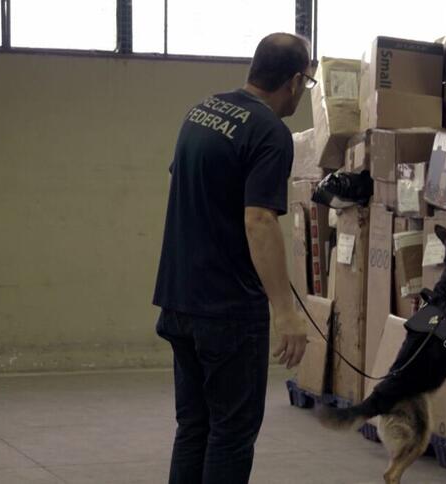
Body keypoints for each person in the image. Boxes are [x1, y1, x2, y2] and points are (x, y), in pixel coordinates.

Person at [152, 32, 314, 484]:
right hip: (227, 311)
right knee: (231, 433)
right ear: (296, 81)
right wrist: (286, 312)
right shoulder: (270, 132)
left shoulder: (201, 112)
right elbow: (259, 220)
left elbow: (180, 185)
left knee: (194, 427)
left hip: (179, 299)